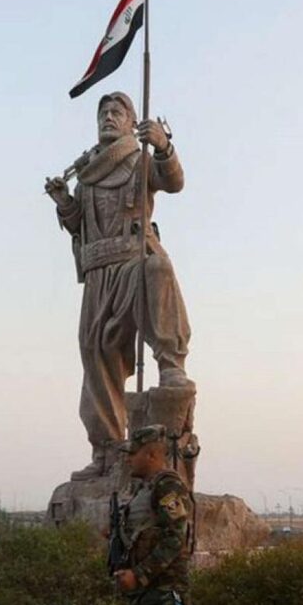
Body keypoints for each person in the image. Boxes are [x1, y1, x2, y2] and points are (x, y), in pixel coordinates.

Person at [45, 92, 193, 480]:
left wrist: (163, 147)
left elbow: (173, 181)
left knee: (158, 269)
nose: (108, 117)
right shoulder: (87, 174)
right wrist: (64, 202)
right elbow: (79, 224)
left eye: (117, 112)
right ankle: (107, 449)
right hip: (98, 271)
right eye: (104, 113)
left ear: (131, 122)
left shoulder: (139, 160)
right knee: (96, 356)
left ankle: (171, 363)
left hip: (133, 258)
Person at [113, 425, 193, 605]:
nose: (128, 459)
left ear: (151, 455)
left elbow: (175, 538)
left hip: (165, 593)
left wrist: (138, 575)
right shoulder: (144, 488)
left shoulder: (168, 486)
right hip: (148, 593)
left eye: (133, 453)